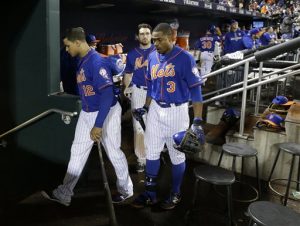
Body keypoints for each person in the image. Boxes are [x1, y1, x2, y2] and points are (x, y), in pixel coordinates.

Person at [41, 27, 133, 206]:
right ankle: (64, 193)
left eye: (68, 46)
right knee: (77, 152)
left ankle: (126, 189)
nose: (66, 50)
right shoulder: (82, 60)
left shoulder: (96, 62)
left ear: (77, 42)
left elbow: (107, 96)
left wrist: (98, 125)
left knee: (113, 152)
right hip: (88, 110)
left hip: (106, 112)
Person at [131, 23, 205, 210]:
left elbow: (196, 92)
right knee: (152, 152)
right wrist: (146, 108)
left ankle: (176, 193)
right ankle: (150, 193)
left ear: (171, 37)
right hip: (156, 109)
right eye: (154, 40)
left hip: (177, 112)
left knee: (177, 156)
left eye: (159, 39)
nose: (155, 43)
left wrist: (197, 121)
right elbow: (151, 86)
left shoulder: (185, 58)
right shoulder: (152, 57)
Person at [123, 23, 155, 173]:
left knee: (155, 124)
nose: (145, 36)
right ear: (138, 36)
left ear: (151, 35)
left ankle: (154, 154)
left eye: (147, 33)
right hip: (138, 92)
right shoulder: (132, 53)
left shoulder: (158, 51)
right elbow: (128, 73)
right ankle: (142, 159)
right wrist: (126, 87)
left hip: (155, 92)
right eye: (142, 33)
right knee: (139, 126)